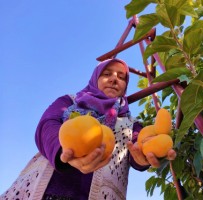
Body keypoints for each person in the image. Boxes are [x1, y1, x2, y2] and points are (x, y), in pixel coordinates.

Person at [1, 58, 176, 200]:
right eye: (107, 74)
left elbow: (137, 146)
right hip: (43, 189)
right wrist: (64, 152)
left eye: (122, 77)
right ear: (95, 78)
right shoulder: (70, 101)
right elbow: (47, 125)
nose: (114, 79)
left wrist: (144, 155)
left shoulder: (131, 122)